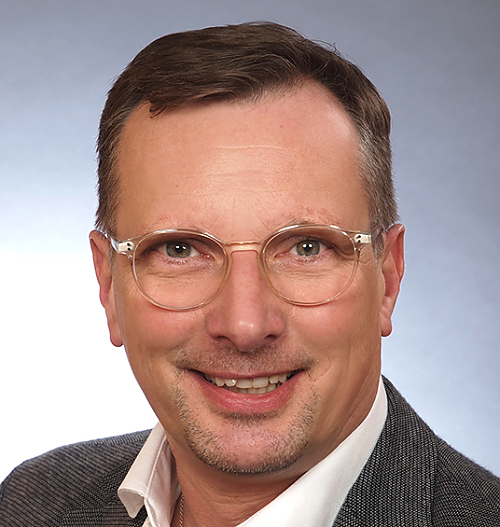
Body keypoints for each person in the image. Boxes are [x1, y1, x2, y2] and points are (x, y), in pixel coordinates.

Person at [1, 21, 499, 527]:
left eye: (306, 248)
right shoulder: (33, 503)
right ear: (109, 285)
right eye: (179, 250)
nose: (244, 326)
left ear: (387, 279)